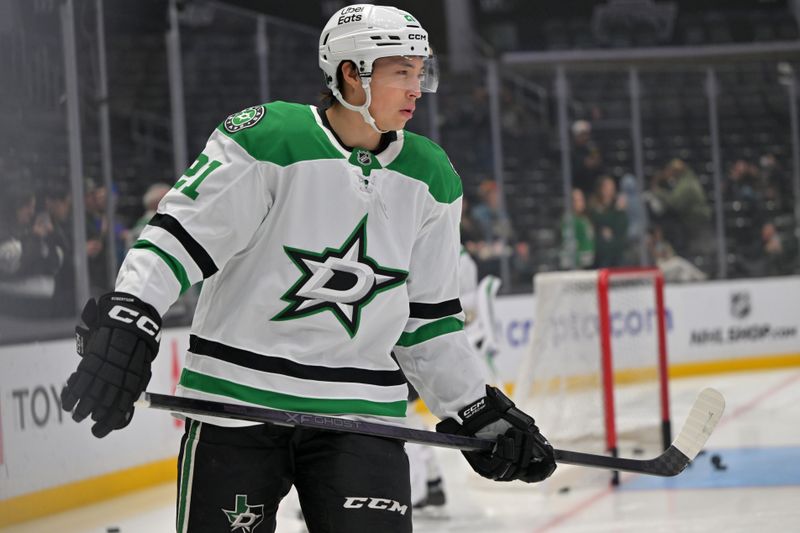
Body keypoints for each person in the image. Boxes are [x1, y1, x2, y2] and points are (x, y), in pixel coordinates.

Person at [60, 5, 556, 533]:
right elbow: (176, 238)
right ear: (351, 73)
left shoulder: (432, 175)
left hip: (361, 415)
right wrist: (133, 312)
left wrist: (474, 407)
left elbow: (428, 321)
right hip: (237, 404)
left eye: (420, 72)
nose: (417, 89)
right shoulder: (267, 139)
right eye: (401, 72)